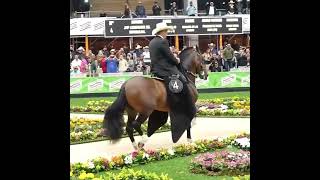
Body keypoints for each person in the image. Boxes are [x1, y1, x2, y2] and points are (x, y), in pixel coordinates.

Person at [149, 22, 197, 143]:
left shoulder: (152, 42)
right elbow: (169, 57)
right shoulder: (163, 41)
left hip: (155, 70)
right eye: (166, 31)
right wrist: (177, 59)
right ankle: (183, 103)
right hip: (165, 70)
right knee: (183, 80)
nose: (167, 33)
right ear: (162, 32)